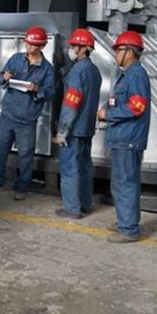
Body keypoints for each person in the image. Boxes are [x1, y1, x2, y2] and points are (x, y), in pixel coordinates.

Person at [0, 26, 55, 201]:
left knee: (25, 156)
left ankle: (22, 187)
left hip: (27, 119)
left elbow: (51, 92)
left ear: (42, 46)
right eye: (27, 43)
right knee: (0, 150)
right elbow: (0, 79)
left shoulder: (47, 69)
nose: (28, 46)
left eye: (33, 44)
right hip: (8, 114)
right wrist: (4, 78)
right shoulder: (16, 59)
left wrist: (37, 89)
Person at [97, 30, 151, 243]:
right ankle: (126, 222)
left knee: (125, 184)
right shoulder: (127, 75)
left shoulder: (136, 75)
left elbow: (137, 107)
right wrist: (106, 109)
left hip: (128, 139)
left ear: (130, 52)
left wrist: (108, 115)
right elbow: (120, 101)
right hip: (123, 138)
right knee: (122, 184)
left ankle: (128, 229)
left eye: (119, 50)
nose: (116, 55)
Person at [54, 29, 101, 219]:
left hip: (73, 129)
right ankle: (85, 204)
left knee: (69, 168)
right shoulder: (94, 70)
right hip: (87, 127)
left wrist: (62, 130)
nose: (71, 49)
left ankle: (72, 209)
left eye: (74, 46)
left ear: (84, 49)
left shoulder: (77, 72)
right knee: (85, 167)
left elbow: (71, 104)